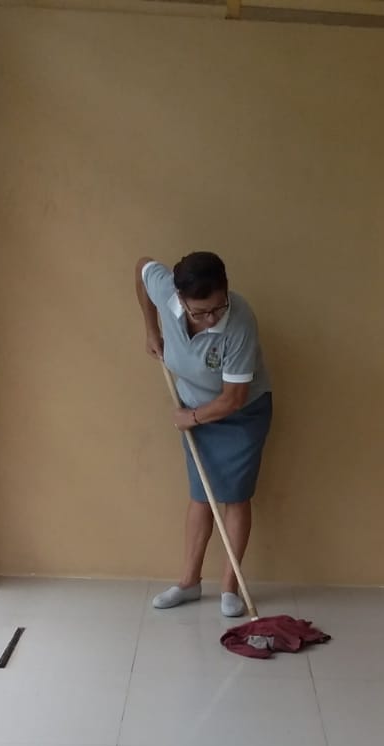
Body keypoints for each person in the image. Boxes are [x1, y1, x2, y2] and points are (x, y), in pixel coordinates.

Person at [135, 252, 272, 618]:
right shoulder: (165, 290)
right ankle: (189, 583)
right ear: (180, 299)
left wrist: (191, 418)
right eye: (200, 312)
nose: (211, 318)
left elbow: (234, 398)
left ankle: (230, 587)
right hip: (194, 409)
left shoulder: (240, 322)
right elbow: (142, 267)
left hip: (241, 415)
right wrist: (151, 329)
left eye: (217, 307)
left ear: (226, 290)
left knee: (235, 496)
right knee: (200, 495)